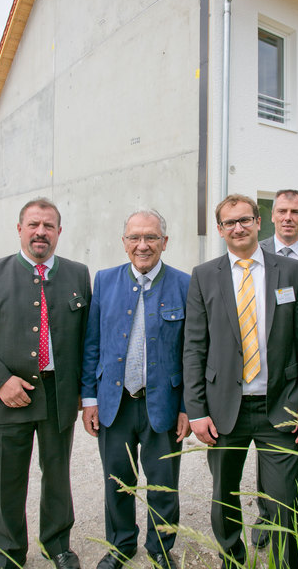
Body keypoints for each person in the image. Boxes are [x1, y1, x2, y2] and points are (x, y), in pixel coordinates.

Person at [183, 194, 298, 569]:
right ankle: (234, 559)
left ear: (260, 222)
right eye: (230, 223)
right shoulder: (204, 275)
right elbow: (194, 347)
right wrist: (196, 411)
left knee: (284, 501)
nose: (238, 228)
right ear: (220, 229)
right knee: (223, 497)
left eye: (245, 220)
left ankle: (288, 561)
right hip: (226, 408)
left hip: (282, 406)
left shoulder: (288, 272)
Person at [0, 198, 91, 569]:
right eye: (33, 225)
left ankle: (57, 543)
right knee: (8, 481)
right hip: (7, 397)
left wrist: (82, 389)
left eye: (48, 226)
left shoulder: (78, 274)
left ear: (59, 232)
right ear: (19, 229)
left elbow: (86, 338)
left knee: (58, 477)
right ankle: (9, 552)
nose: (40, 232)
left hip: (59, 395)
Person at [81, 210, 190, 569]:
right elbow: (92, 344)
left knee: (163, 483)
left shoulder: (185, 285)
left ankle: (160, 548)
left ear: (164, 242)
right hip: (116, 403)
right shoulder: (106, 281)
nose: (143, 245)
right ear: (124, 242)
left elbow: (193, 352)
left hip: (164, 403)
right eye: (135, 238)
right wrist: (90, 399)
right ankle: (121, 545)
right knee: (118, 481)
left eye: (151, 238)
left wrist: (189, 407)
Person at [253, 189, 298, 547]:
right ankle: (268, 516)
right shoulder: (254, 252)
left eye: (296, 211)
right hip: (266, 370)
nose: (289, 217)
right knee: (269, 452)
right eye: (283, 211)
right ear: (272, 217)